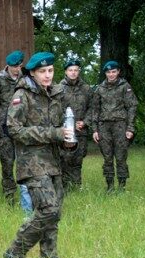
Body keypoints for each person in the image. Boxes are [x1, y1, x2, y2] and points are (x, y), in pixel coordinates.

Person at [2, 52, 73, 258]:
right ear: (32, 72)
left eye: (51, 70)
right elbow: (13, 129)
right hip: (31, 164)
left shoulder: (55, 95)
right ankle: (15, 251)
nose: (48, 75)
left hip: (53, 163)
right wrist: (53, 134)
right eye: (43, 71)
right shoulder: (22, 95)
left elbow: (59, 128)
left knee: (53, 217)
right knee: (48, 210)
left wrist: (67, 140)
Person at [92, 60, 138, 192]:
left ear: (118, 72)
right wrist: (95, 129)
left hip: (120, 125)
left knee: (121, 156)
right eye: (108, 72)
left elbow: (132, 107)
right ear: (105, 73)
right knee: (107, 157)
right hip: (104, 127)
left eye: (113, 71)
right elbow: (95, 110)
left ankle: (122, 186)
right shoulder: (100, 89)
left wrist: (130, 128)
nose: (111, 74)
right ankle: (110, 185)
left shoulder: (125, 86)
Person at [0, 50, 24, 203]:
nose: (16, 69)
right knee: (7, 162)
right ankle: (9, 195)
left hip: (22, 126)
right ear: (8, 65)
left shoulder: (25, 78)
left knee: (24, 161)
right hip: (4, 127)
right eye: (14, 66)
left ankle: (26, 193)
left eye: (19, 66)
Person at [59, 58, 92, 191]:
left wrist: (85, 122)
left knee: (78, 160)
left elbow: (93, 108)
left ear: (79, 71)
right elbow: (55, 109)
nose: (73, 73)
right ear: (66, 72)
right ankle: (64, 187)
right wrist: (68, 125)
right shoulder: (58, 88)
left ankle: (76, 186)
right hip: (65, 130)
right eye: (70, 70)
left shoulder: (86, 88)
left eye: (76, 70)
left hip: (81, 131)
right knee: (65, 158)